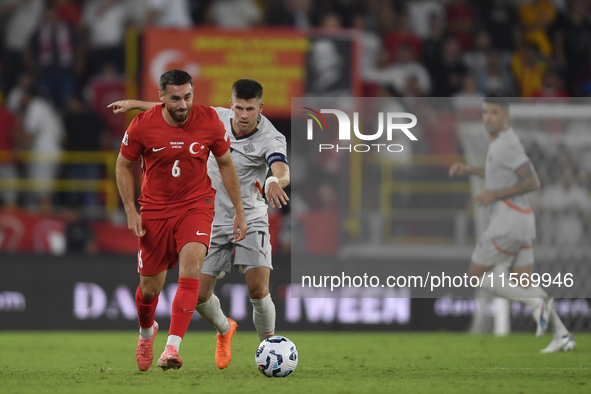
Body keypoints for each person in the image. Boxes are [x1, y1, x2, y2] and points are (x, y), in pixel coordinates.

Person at [109, 78, 290, 369]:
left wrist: (273, 180)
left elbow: (281, 169)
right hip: (212, 216)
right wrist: (135, 105)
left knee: (258, 289)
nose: (244, 115)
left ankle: (270, 348)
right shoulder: (214, 117)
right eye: (239, 108)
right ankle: (224, 329)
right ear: (231, 105)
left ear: (261, 108)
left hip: (250, 214)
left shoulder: (271, 137)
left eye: (251, 109)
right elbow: (174, 107)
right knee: (200, 294)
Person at [449, 95, 575, 353]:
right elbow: (497, 172)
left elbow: (533, 182)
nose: (487, 117)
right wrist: (470, 170)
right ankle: (562, 334)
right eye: (485, 112)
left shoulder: (507, 143)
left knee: (477, 276)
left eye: (494, 113)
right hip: (520, 216)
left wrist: (494, 194)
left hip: (509, 217)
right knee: (522, 279)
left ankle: (536, 305)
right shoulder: (499, 144)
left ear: (506, 116)